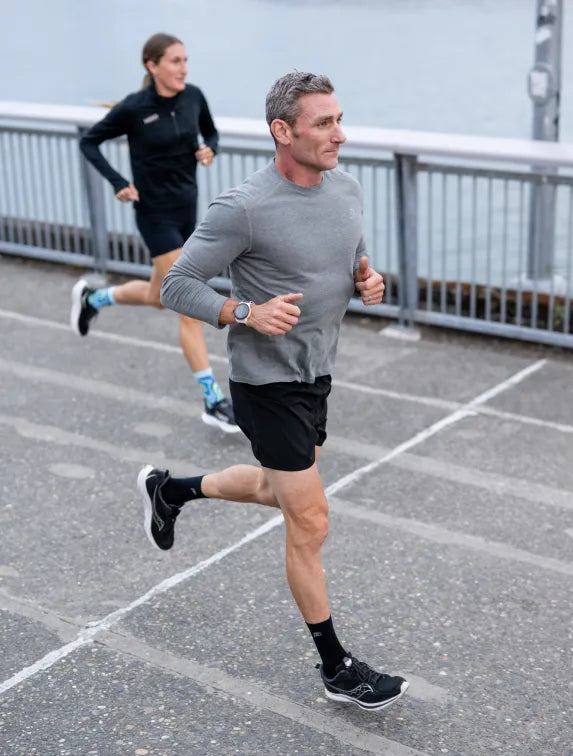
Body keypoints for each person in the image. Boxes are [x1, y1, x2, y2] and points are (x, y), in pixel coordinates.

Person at [137, 72, 409, 710]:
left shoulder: (346, 188)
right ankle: (336, 666)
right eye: (323, 123)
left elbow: (350, 263)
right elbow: (176, 285)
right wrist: (244, 313)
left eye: (339, 119)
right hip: (266, 384)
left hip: (315, 373)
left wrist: (370, 282)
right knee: (309, 519)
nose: (339, 134)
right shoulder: (244, 207)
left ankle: (169, 490)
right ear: (282, 132)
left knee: (273, 487)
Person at [73, 32, 238, 433]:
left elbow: (211, 134)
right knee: (189, 302)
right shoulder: (134, 108)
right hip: (154, 215)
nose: (184, 68)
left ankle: (94, 298)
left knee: (157, 296)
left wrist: (208, 150)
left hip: (187, 210)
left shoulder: (194, 96)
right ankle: (213, 399)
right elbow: (90, 142)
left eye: (185, 60)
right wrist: (118, 183)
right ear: (152, 65)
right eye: (175, 61)